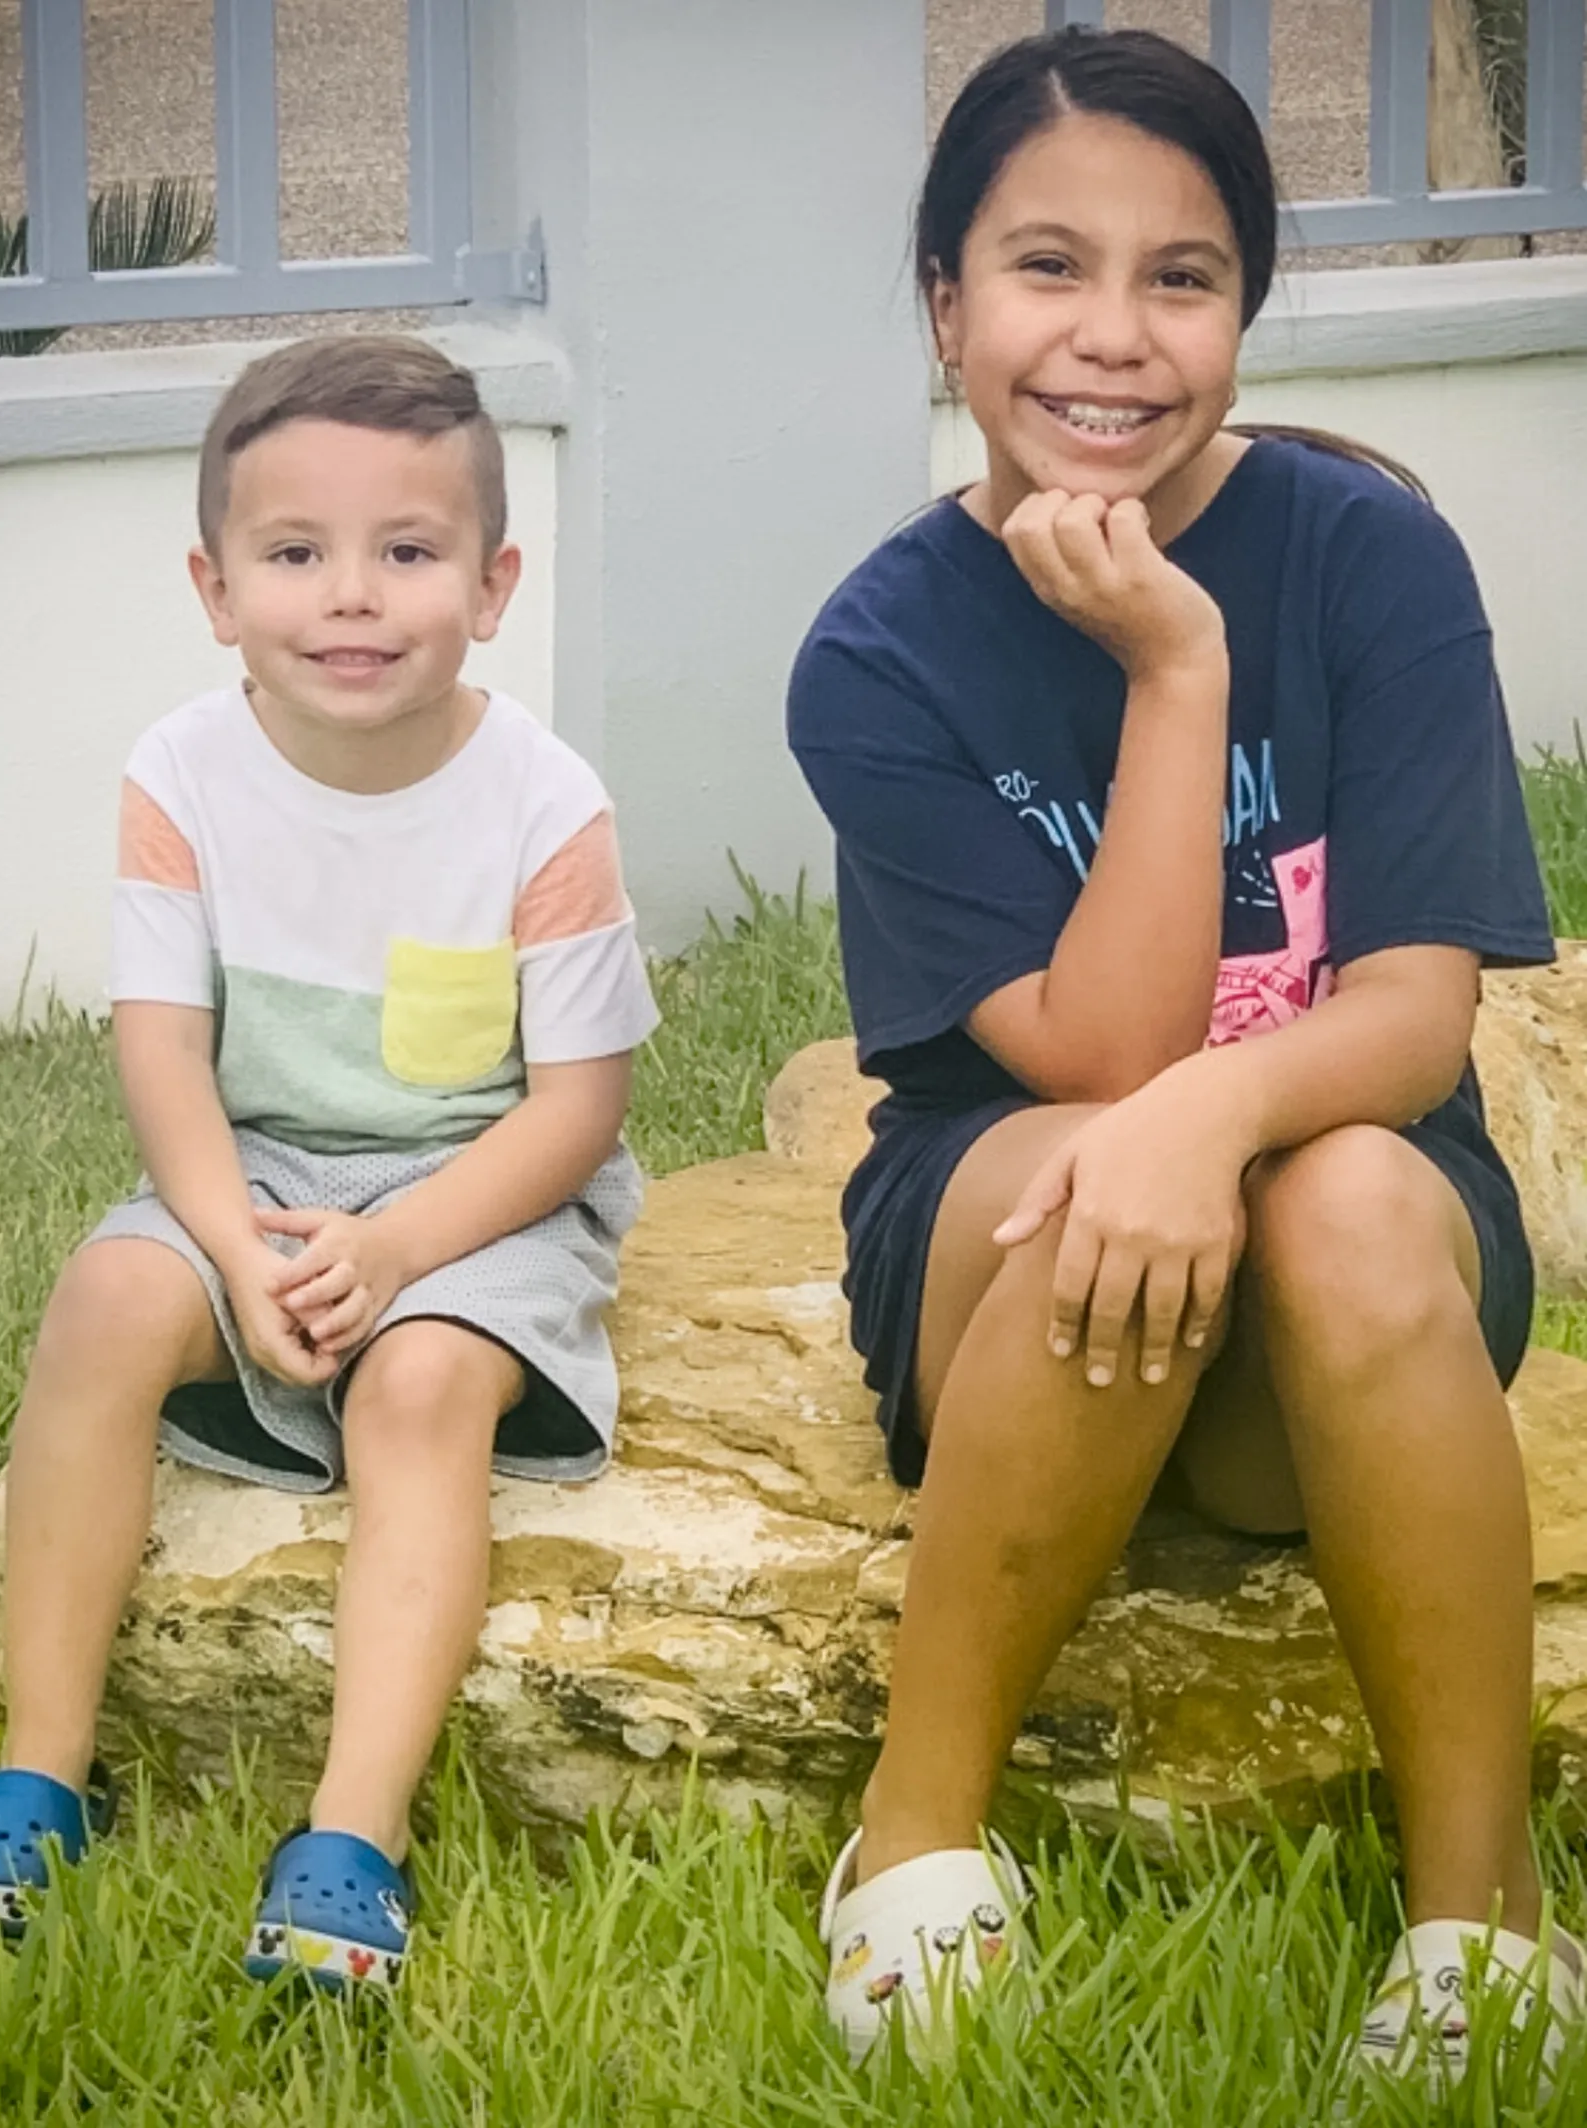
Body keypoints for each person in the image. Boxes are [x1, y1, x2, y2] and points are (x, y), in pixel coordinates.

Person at [789, 26, 1580, 2079]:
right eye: (1047, 268)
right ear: (946, 304)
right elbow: (1101, 1050)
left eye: (1184, 276)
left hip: (1331, 1295)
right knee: (1080, 1161)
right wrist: (1173, 668)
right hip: (1014, 1281)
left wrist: (1222, 1110)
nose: (1113, 338)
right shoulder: (879, 650)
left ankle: (1476, 1919)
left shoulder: (1364, 555)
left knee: (1341, 1184)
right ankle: (912, 1843)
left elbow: (1410, 1015)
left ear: (1243, 307)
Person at [0, 334, 658, 1990]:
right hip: (258, 1166)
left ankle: (353, 1839)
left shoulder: (541, 802)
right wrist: (226, 1244)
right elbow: (163, 1047)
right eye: (296, 555)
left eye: (408, 553)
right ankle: (36, 1779)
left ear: (492, 585)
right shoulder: (181, 774)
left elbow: (577, 1107)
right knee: (100, 1305)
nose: (351, 598)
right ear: (217, 590)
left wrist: (404, 1249)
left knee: (417, 1392)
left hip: (480, 1182)